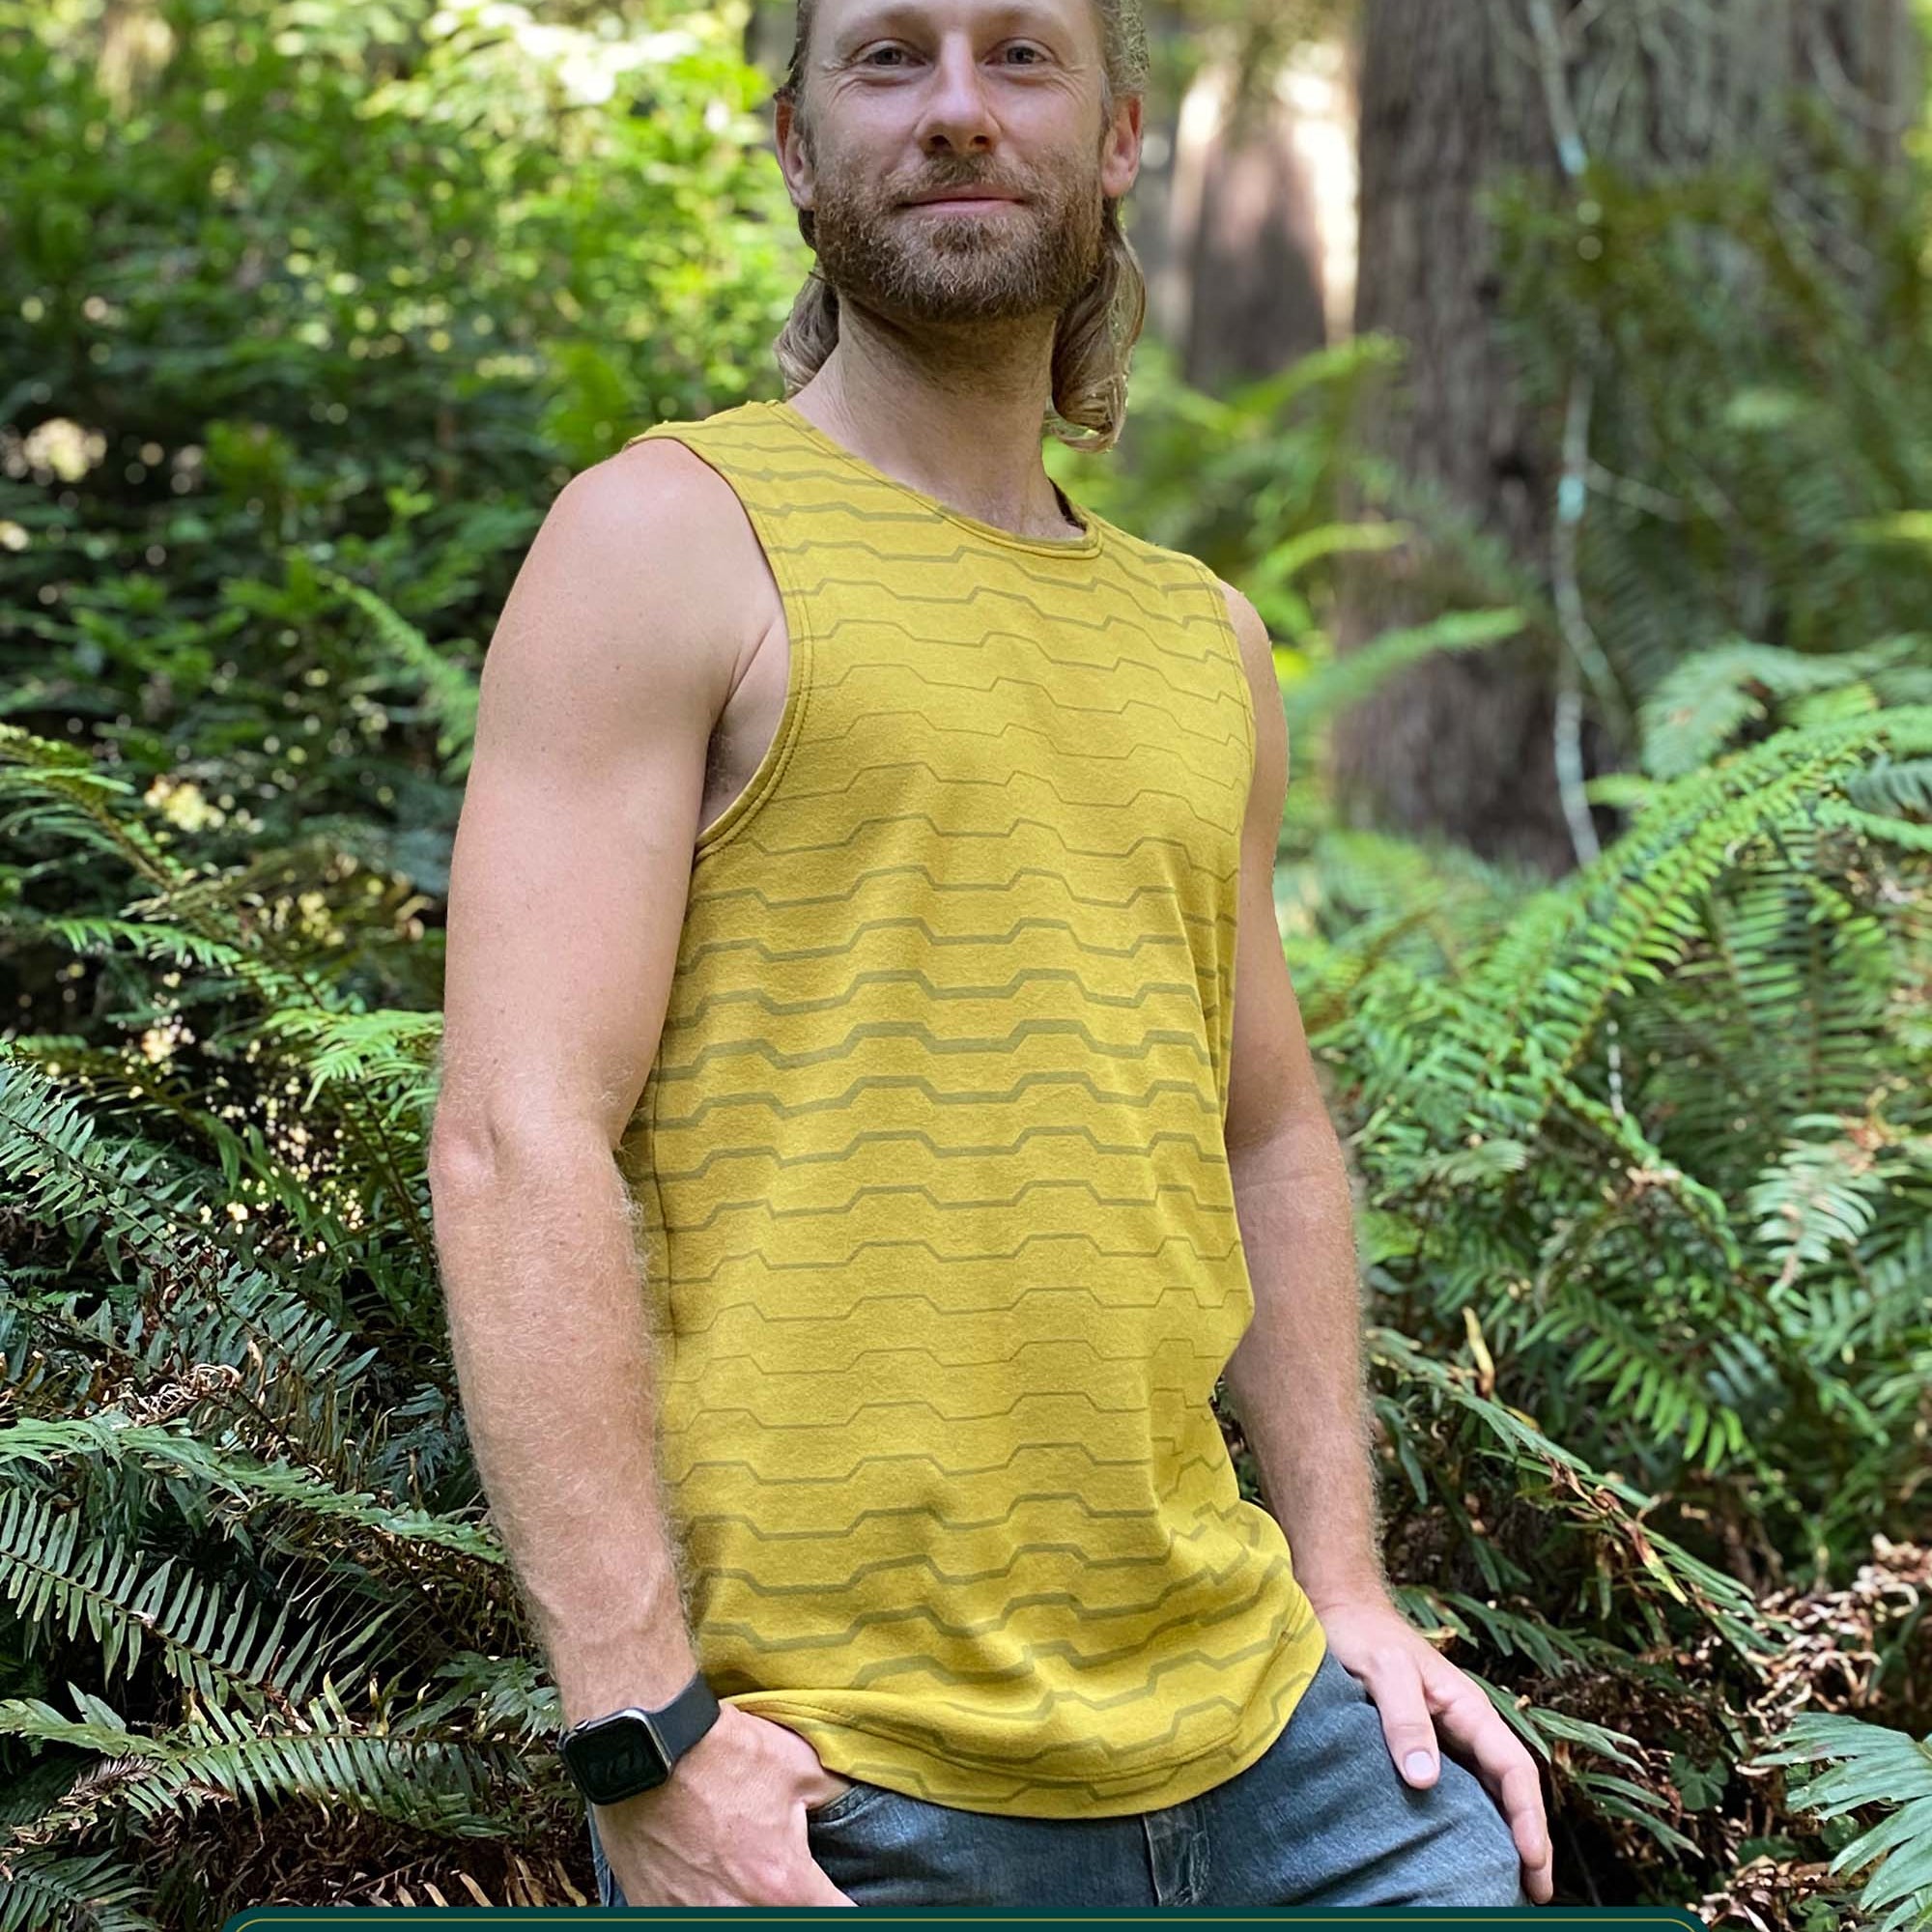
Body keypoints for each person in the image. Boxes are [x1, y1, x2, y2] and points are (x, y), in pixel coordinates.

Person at [428, 0, 1555, 1910]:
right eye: (891, 58)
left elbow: (1265, 1130)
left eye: (1018, 54)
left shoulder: (1201, 637)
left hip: (1282, 1763)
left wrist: (1351, 1592)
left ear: (1120, 137)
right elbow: (512, 1133)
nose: (957, 108)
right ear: (793, 142)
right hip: (839, 1787)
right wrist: (644, 1737)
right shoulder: (663, 541)